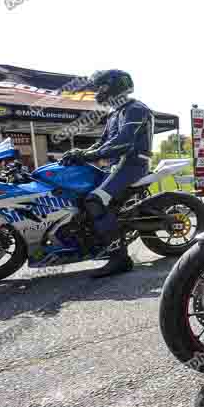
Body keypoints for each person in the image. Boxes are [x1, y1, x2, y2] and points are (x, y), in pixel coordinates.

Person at [61, 70, 155, 278]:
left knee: (95, 201)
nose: (98, 92)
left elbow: (123, 142)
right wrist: (80, 153)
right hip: (115, 165)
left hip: (132, 164)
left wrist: (87, 155)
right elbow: (103, 142)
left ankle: (120, 259)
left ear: (116, 86)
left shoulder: (136, 109)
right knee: (80, 196)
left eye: (102, 87)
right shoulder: (115, 114)